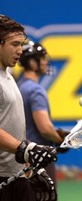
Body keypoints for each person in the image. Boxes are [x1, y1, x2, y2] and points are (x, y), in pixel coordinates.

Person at [0, 14, 57, 201]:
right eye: (14, 44)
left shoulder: (8, 75)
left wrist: (29, 168)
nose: (20, 50)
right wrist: (25, 149)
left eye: (21, 44)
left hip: (16, 174)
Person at [17, 40, 69, 187]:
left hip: (22, 157)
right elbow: (45, 128)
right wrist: (60, 139)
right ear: (33, 63)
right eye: (43, 58)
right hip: (39, 158)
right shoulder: (35, 90)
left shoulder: (18, 86)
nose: (46, 62)